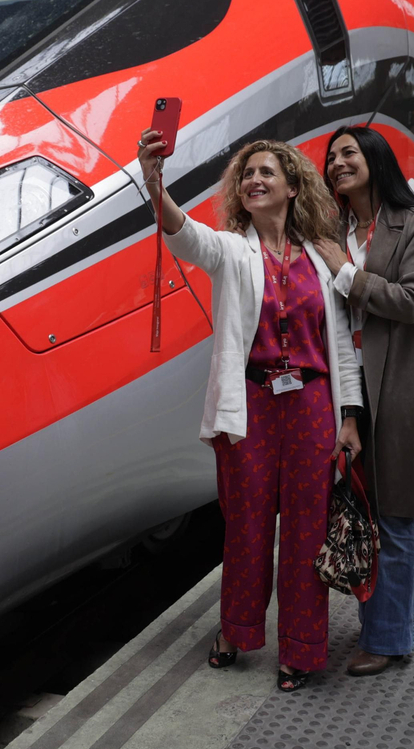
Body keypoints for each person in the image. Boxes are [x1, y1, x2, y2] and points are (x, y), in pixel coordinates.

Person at [137, 134, 363, 693]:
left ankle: (302, 649)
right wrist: (153, 179)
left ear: (291, 187)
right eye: (247, 175)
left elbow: (342, 343)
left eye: (267, 173)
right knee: (246, 525)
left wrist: (351, 417)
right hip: (252, 407)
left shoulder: (321, 255)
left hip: (312, 404)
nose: (255, 181)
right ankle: (236, 631)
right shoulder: (231, 249)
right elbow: (183, 235)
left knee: (308, 532)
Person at [314, 126, 414, 677]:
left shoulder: (411, 222)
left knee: (391, 518)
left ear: (375, 159)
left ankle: (390, 638)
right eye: (332, 157)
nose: (338, 162)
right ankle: (377, 627)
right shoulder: (334, 227)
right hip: (346, 389)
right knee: (361, 514)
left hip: (394, 389)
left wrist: (346, 273)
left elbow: (412, 301)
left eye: (349, 153)